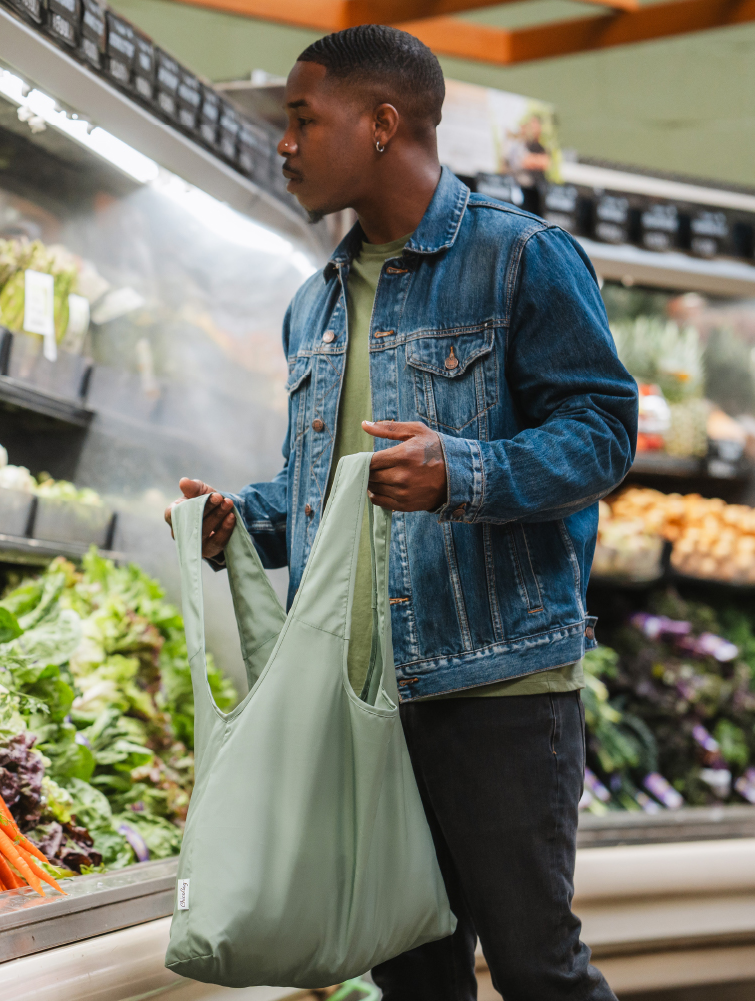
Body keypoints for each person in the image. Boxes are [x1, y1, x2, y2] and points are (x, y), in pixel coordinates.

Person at [165, 24, 636, 1001]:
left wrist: (458, 470)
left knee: (535, 965)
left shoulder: (520, 258)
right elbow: (325, 493)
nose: (283, 145)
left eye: (302, 119)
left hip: (493, 682)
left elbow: (600, 435)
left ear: (382, 123)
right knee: (413, 978)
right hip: (364, 695)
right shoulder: (314, 304)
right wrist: (240, 520)